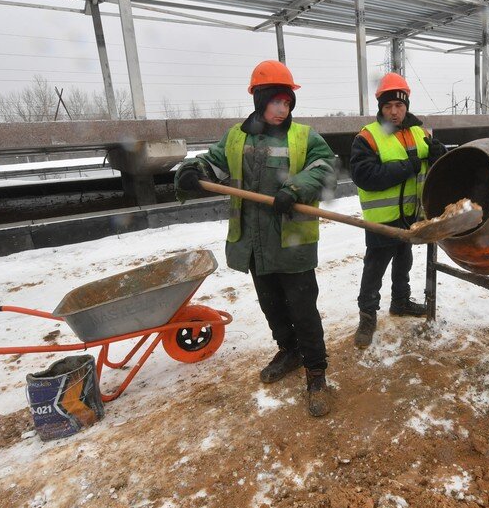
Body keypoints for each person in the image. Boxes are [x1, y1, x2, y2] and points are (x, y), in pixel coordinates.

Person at [175, 60, 337, 417]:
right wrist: (192, 170)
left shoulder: (304, 136)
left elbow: (325, 167)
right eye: (276, 101)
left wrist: (295, 188)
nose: (283, 109)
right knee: (272, 305)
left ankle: (316, 370)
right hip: (253, 242)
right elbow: (214, 163)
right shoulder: (236, 136)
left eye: (288, 102)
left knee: (303, 308)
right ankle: (289, 350)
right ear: (260, 99)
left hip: (291, 241)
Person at [349, 72, 447, 349]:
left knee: (404, 261)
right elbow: (364, 175)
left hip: (411, 217)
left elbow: (436, 164)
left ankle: (401, 301)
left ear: (406, 106)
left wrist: (440, 152)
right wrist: (408, 166)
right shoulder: (368, 137)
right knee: (375, 268)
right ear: (380, 107)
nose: (394, 112)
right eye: (388, 106)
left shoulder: (420, 132)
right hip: (382, 220)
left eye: (399, 106)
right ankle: (367, 315)